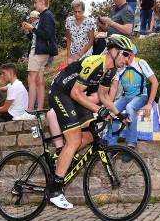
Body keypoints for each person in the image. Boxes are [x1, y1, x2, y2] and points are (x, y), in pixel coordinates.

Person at [46, 35, 134, 209]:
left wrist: (120, 113)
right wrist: (98, 110)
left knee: (90, 136)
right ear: (114, 51)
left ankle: (62, 157)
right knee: (74, 139)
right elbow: (76, 93)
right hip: (61, 93)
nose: (127, 60)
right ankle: (54, 190)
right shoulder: (94, 63)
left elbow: (103, 97)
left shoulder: (110, 71)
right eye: (125, 55)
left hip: (74, 97)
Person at [106, 46, 159, 151]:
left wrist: (149, 103)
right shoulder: (119, 65)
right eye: (125, 54)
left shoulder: (140, 63)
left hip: (141, 96)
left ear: (134, 54)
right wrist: (109, 103)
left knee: (130, 107)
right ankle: (111, 146)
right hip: (126, 97)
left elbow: (155, 82)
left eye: (129, 55)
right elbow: (114, 86)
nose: (127, 58)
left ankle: (131, 143)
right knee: (112, 109)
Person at [21, 0, 57, 113]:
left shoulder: (46, 16)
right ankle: (39, 109)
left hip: (39, 52)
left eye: (36, 2)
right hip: (42, 51)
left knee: (32, 79)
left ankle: (30, 110)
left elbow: (47, 35)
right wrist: (30, 30)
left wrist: (33, 28)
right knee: (39, 81)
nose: (34, 5)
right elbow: (39, 36)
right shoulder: (45, 16)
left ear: (42, 2)